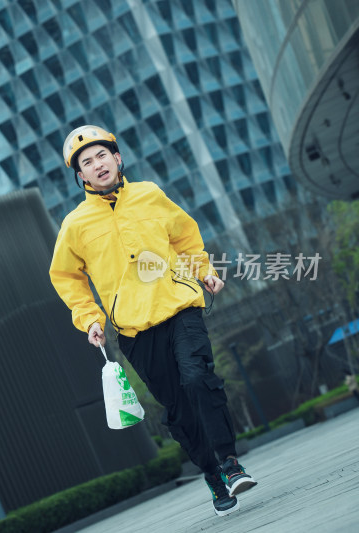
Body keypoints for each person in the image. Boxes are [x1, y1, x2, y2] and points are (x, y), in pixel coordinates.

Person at [49, 125, 256, 517]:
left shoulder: (150, 195)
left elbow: (185, 237)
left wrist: (204, 269)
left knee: (198, 378)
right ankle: (212, 474)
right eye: (87, 162)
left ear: (118, 158)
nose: (97, 165)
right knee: (177, 407)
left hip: (179, 305)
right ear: (81, 177)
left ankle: (231, 463)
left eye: (102, 155)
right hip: (133, 329)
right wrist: (90, 318)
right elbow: (66, 276)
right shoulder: (75, 226)